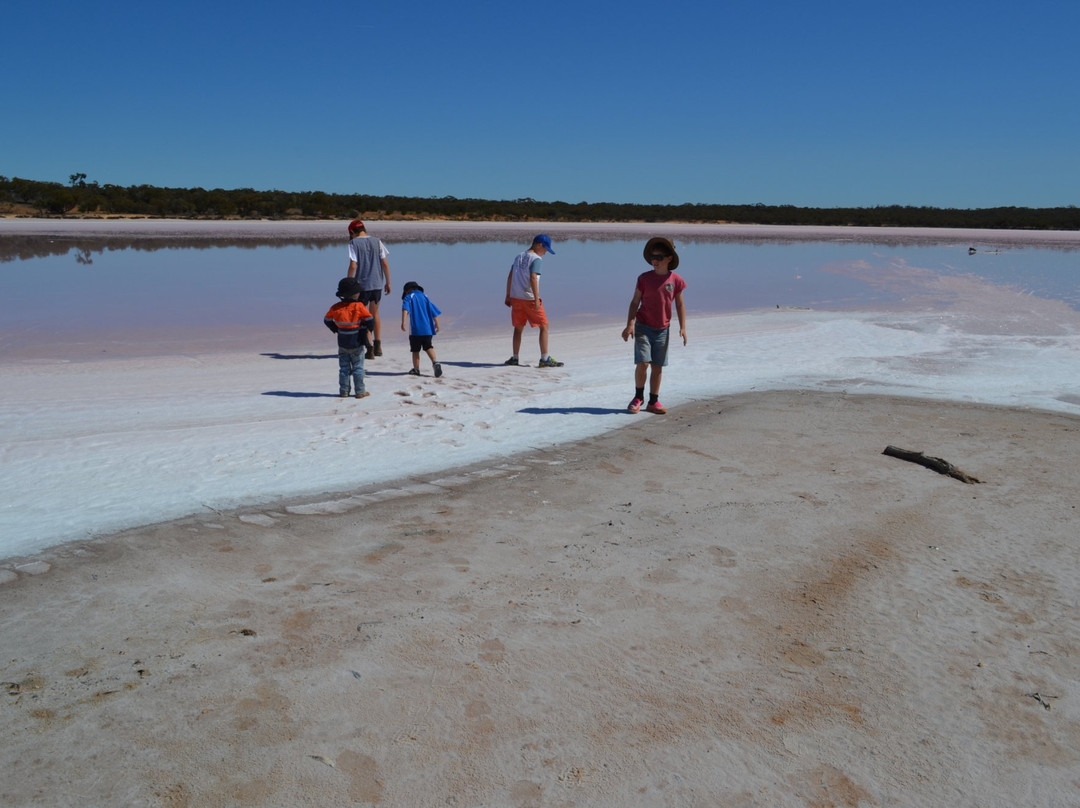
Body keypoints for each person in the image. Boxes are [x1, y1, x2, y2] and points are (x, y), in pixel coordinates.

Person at [620, 237, 687, 414]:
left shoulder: (676, 280)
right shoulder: (644, 278)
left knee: (657, 366)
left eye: (659, 257)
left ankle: (653, 401)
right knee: (643, 362)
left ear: (669, 258)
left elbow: (680, 304)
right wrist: (630, 324)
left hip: (663, 329)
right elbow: (635, 302)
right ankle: (638, 397)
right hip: (643, 326)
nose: (654, 260)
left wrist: (683, 327)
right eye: (652, 257)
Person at [504, 233, 563, 367]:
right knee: (544, 327)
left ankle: (515, 358)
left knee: (518, 328)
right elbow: (532, 277)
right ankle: (544, 359)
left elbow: (510, 276)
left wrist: (508, 295)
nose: (545, 253)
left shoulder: (519, 256)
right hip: (529, 298)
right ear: (538, 245)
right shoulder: (536, 259)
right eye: (545, 249)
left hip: (516, 298)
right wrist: (537, 299)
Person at [346, 219, 392, 360]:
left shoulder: (353, 243)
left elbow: (353, 265)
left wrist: (348, 282)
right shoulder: (377, 241)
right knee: (375, 314)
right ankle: (378, 346)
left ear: (352, 232)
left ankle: (369, 348)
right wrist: (388, 282)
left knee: (362, 316)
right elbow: (384, 263)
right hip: (377, 284)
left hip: (362, 286)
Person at [324, 277, 375, 399]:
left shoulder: (336, 307)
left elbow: (327, 320)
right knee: (358, 367)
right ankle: (360, 392)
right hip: (356, 342)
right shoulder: (359, 306)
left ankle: (344, 391)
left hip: (342, 342)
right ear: (354, 294)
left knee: (344, 369)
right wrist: (368, 329)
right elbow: (370, 319)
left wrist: (336, 328)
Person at [400, 281, 443, 377]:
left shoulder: (409, 297)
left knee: (415, 350)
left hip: (416, 330)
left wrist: (403, 322)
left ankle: (416, 369)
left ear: (407, 290)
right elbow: (433, 311)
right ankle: (435, 362)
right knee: (428, 346)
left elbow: (405, 309)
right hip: (428, 329)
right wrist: (437, 324)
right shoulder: (425, 297)